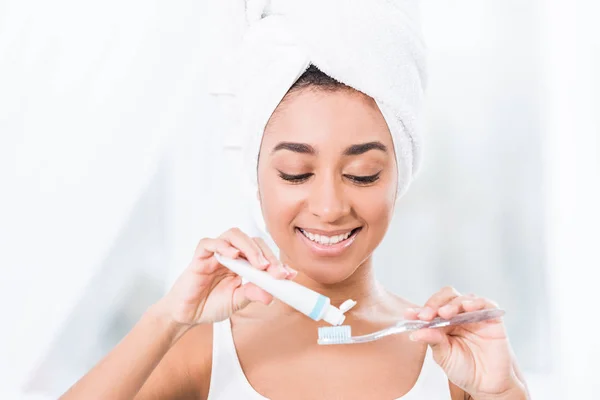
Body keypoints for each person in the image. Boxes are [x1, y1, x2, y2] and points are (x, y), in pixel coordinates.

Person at [60, 65, 529, 399]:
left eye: (363, 174)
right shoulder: (205, 350)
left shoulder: (452, 358)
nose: (328, 207)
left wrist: (503, 392)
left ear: (397, 180)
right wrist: (165, 319)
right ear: (257, 179)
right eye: (295, 173)